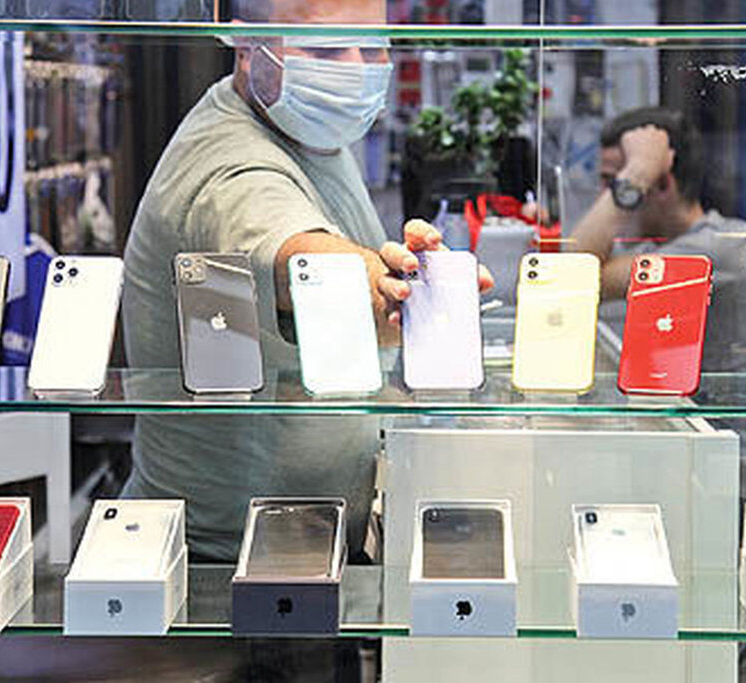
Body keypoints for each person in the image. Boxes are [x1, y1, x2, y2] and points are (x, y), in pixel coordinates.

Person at [121, 0, 492, 562]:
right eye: (324, 47)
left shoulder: (302, 127)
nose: (355, 68)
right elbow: (316, 272)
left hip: (304, 540)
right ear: (246, 46)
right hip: (229, 563)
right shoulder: (232, 173)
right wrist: (409, 294)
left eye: (373, 47)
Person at [572, 106, 746, 505]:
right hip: (714, 464)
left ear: (661, 184)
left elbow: (575, 277)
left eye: (614, 184)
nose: (606, 199)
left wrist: (636, 171)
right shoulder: (684, 245)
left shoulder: (712, 252)